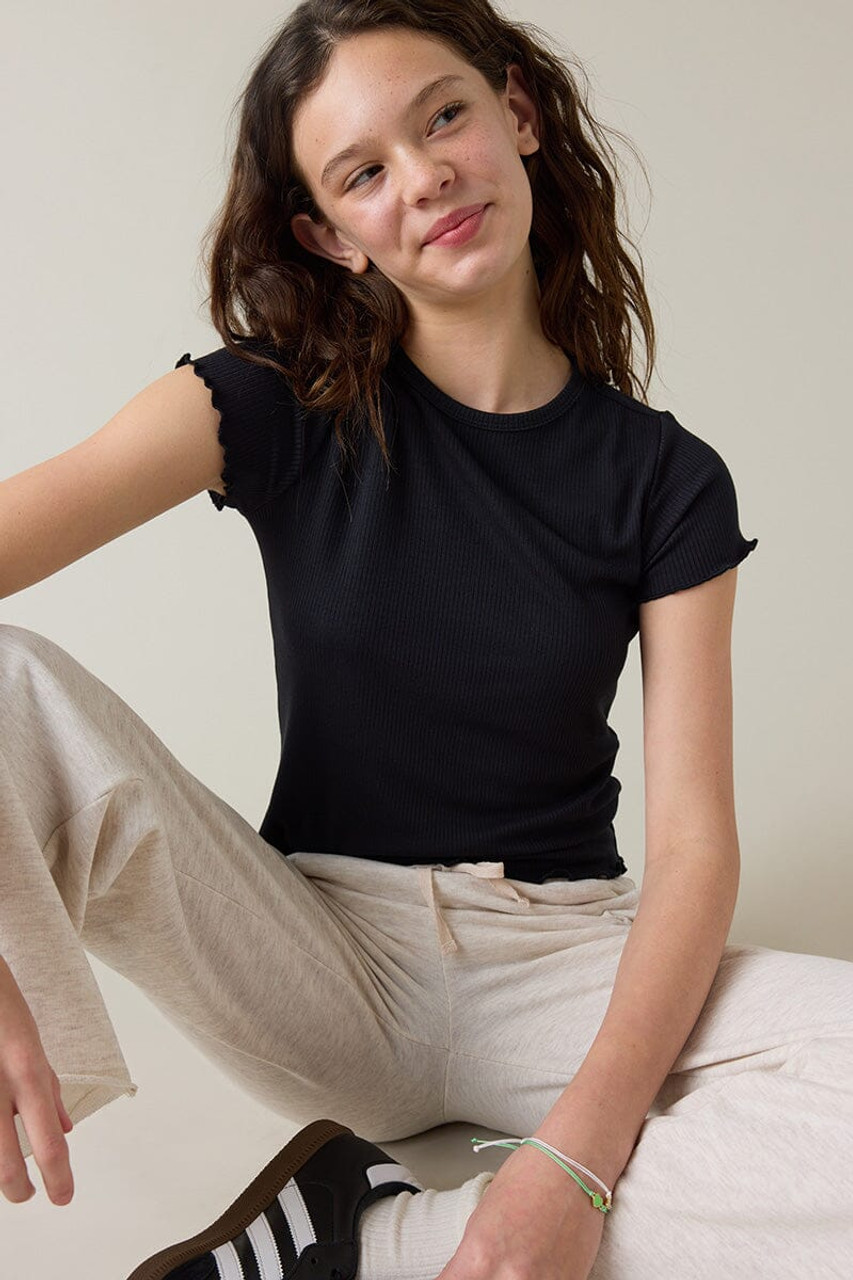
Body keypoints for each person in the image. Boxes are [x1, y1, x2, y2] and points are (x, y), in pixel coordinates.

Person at [0, 1, 851, 1278]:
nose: (423, 176)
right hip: (314, 957)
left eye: (442, 116)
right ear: (328, 235)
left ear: (517, 114)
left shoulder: (666, 480)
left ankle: (374, 1241)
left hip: (561, 962)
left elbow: (691, 849)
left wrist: (572, 1163)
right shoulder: (271, 400)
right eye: (362, 172)